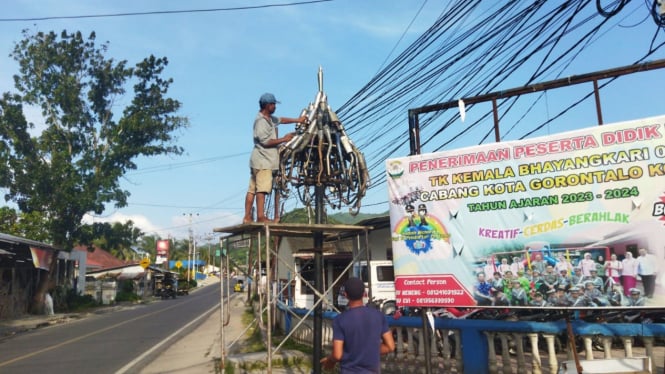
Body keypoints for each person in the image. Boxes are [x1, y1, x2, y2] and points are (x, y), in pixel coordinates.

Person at [243, 93, 307, 223]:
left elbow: (282, 119)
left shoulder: (269, 119)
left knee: (252, 190)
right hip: (263, 161)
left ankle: (247, 217)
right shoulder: (261, 121)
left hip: (260, 161)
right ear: (267, 105)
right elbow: (265, 142)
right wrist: (284, 139)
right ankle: (261, 217)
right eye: (273, 104)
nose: (275, 107)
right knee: (261, 190)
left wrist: (298, 120)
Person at [321, 277, 395, 372]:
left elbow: (337, 355)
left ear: (345, 295)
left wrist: (330, 361)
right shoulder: (378, 316)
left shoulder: (340, 320)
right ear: (364, 294)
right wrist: (368, 352)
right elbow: (390, 346)